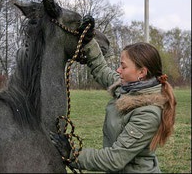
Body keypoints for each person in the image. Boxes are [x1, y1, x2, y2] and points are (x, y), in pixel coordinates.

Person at [51, 16, 177, 173]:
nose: (118, 70)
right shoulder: (128, 87)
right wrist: (89, 40)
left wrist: (72, 154)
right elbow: (101, 69)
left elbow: (114, 159)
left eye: (123, 66)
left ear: (142, 73)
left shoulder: (148, 114)